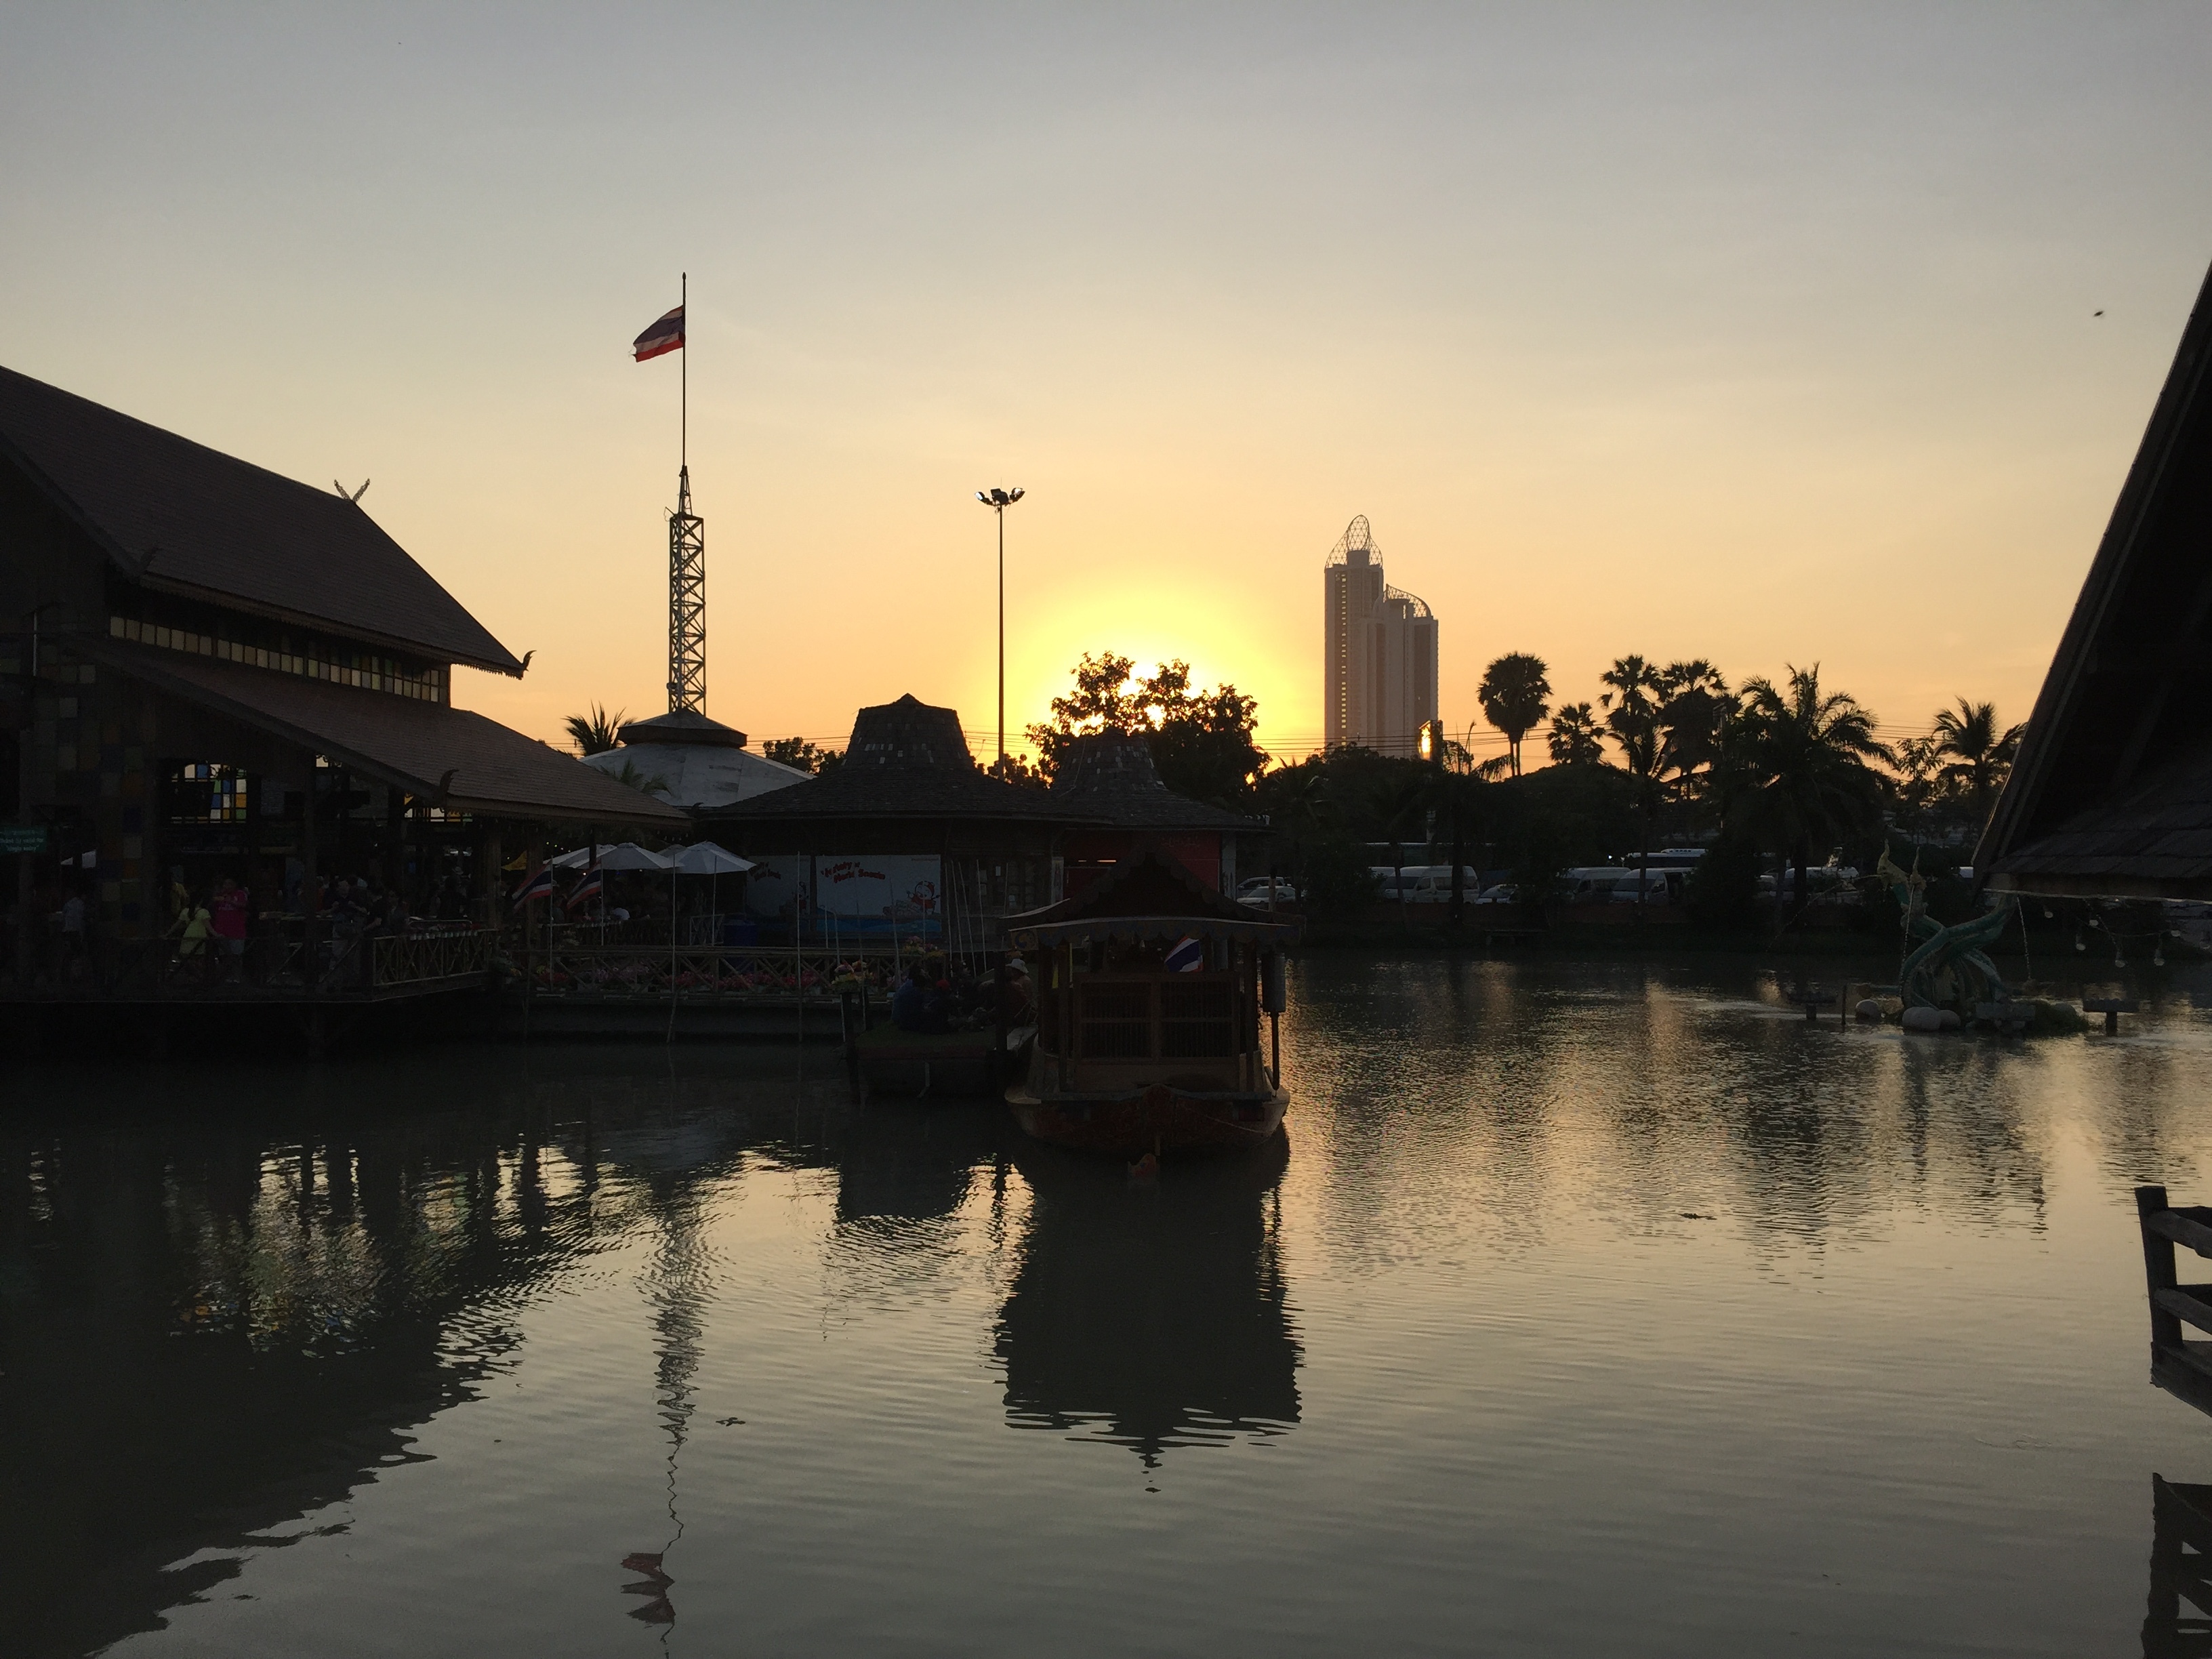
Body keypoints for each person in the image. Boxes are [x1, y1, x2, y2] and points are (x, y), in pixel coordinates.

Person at [211, 876, 249, 981]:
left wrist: (231, 901)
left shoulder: (240, 894)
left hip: (237, 931)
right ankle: (225, 977)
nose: (227, 887)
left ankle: (236, 978)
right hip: (222, 930)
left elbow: (244, 905)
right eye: (225, 884)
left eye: (229, 884)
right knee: (224, 956)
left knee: (236, 956)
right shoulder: (220, 896)